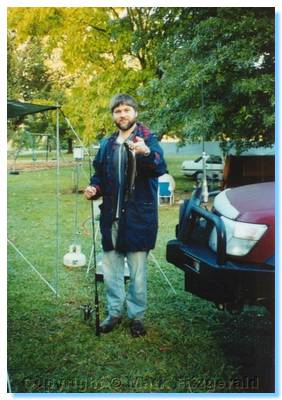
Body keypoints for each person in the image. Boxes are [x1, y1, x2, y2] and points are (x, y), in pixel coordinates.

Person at [84, 94, 167, 337]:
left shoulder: (148, 139)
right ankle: (114, 313)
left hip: (139, 218)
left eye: (127, 110)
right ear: (113, 115)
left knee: (138, 272)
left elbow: (160, 167)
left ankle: (137, 317)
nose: (122, 115)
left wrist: (146, 152)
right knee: (111, 270)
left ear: (135, 113)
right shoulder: (106, 144)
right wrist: (94, 189)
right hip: (111, 216)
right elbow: (98, 176)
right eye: (118, 111)